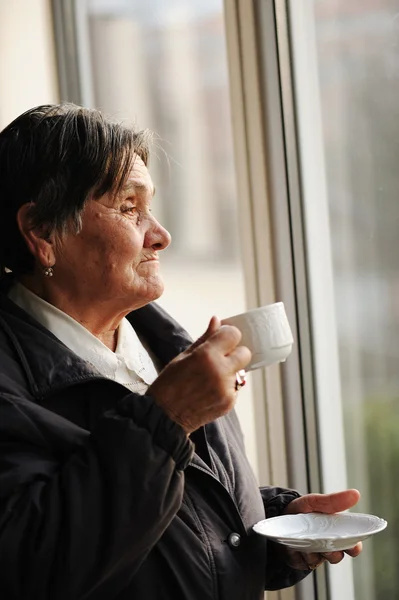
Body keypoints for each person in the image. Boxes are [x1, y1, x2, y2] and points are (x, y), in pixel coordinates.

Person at [0, 103, 361, 600]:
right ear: (42, 233)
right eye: (130, 207)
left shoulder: (162, 344)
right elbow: (37, 565)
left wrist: (276, 529)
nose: (161, 235)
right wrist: (167, 416)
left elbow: (164, 519)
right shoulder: (10, 382)